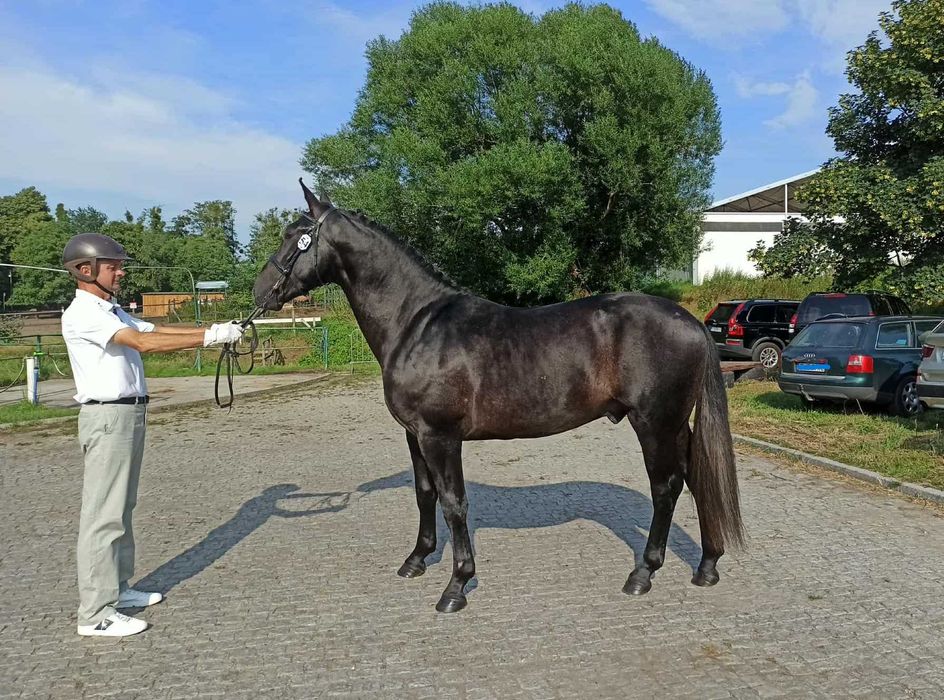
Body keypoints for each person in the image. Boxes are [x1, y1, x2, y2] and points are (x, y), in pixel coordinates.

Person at [61, 232, 244, 637]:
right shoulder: (84, 313)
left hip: (127, 417)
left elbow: (154, 329)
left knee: (122, 509)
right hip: (108, 418)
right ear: (86, 270)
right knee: (103, 516)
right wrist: (211, 338)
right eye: (113, 265)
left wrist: (215, 329)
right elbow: (143, 343)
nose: (121, 271)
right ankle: (95, 614)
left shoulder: (110, 311)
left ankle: (118, 590)